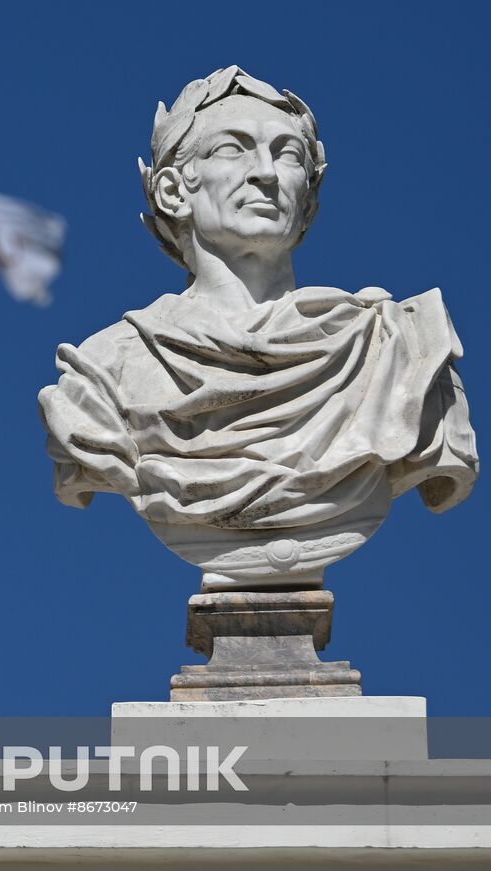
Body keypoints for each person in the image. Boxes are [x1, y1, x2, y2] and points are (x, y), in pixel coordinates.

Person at [38, 66, 477, 589]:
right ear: (175, 191)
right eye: (233, 149)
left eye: (288, 155)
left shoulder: (400, 348)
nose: (266, 173)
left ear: (308, 198)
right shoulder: (105, 374)